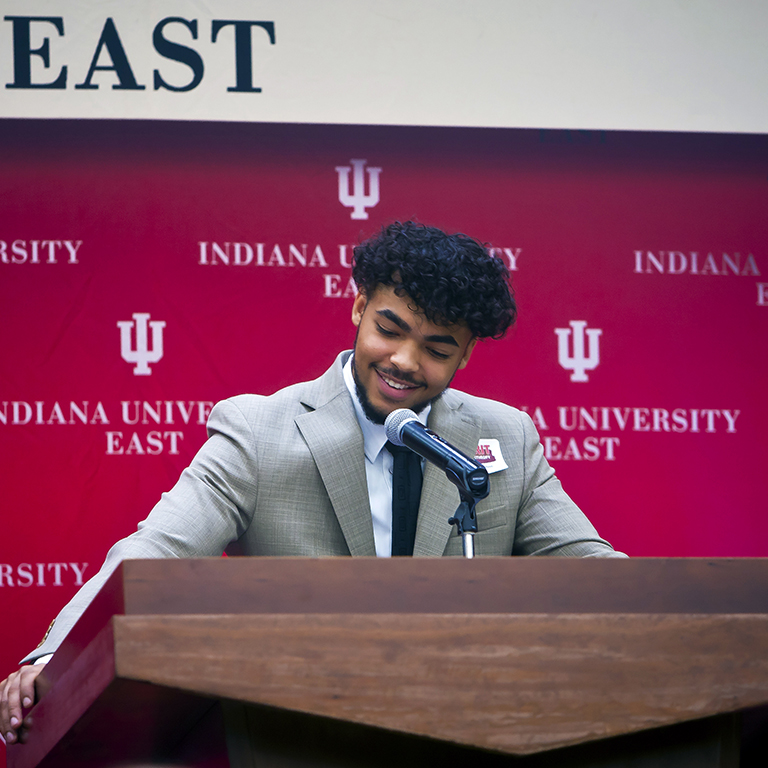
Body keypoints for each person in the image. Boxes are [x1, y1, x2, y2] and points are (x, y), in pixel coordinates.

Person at [0, 221, 625, 746]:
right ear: (358, 307)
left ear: (466, 355)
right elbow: (154, 551)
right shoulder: (259, 430)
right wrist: (55, 658)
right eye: (389, 329)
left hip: (464, 739)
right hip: (300, 739)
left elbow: (593, 569)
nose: (405, 361)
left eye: (438, 349)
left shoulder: (506, 437)